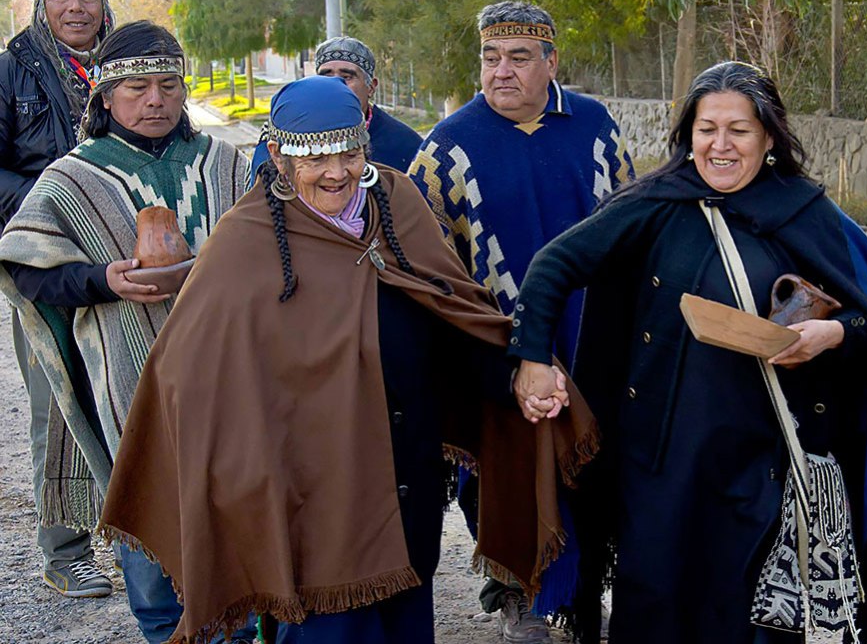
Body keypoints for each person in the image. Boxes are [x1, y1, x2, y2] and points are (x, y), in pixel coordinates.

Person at [98, 75, 598, 644]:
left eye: (349, 152)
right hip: (309, 502)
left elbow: (453, 317)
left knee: (406, 625)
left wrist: (517, 374)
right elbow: (185, 372)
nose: (336, 171)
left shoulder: (397, 204)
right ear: (281, 156)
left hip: (406, 481)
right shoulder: (247, 241)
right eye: (315, 157)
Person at [506, 61, 867, 643]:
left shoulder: (803, 213)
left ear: (768, 138)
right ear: (688, 135)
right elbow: (554, 265)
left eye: (739, 129)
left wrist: (827, 335)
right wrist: (532, 360)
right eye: (707, 128)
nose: (720, 144)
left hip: (767, 463)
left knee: (747, 618)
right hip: (661, 462)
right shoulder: (654, 205)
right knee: (655, 607)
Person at [0, 20, 253, 643]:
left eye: (169, 85)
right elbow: (28, 267)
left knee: (237, 518)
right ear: (105, 97)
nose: (155, 100)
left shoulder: (225, 164)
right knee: (144, 514)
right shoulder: (71, 178)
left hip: (231, 383)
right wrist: (101, 281)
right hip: (129, 383)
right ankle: (165, 630)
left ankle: (239, 628)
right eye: (137, 87)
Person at [407, 0, 633, 643]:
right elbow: (427, 260)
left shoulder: (593, 127)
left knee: (591, 465)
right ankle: (522, 589)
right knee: (505, 470)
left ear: (551, 62)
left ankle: (583, 593)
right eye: (489, 57)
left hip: (590, 333)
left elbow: (628, 223)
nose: (501, 71)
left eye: (519, 57)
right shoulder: (449, 145)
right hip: (499, 346)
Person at [0, 0, 115, 598]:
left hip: (116, 260)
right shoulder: (11, 69)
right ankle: (65, 548)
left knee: (130, 385)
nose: (75, 7)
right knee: (59, 395)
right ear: (42, 6)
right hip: (43, 262)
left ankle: (139, 534)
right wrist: (54, 199)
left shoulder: (122, 67)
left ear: (103, 5)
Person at [249, 35, 422, 186]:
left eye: (346, 77)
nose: (335, 85)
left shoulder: (405, 144)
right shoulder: (284, 134)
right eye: (326, 76)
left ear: (371, 87)